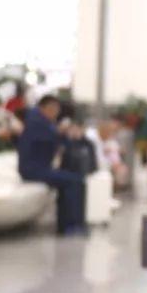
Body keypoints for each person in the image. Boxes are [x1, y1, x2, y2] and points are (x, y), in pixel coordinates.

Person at [17, 95, 87, 235]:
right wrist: (62, 132)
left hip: (39, 168)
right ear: (45, 108)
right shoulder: (36, 121)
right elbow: (54, 137)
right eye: (53, 109)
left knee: (71, 179)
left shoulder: (42, 121)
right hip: (33, 170)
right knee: (75, 181)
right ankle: (71, 225)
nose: (56, 112)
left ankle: (66, 224)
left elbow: (58, 140)